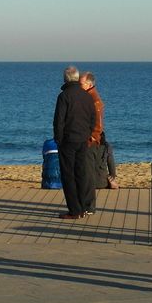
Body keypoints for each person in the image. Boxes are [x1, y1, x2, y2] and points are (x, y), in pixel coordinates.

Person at [52, 65, 96, 219]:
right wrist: (88, 133)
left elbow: (59, 121)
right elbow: (93, 118)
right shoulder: (86, 96)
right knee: (80, 173)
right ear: (77, 78)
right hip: (82, 139)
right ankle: (83, 207)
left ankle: (75, 210)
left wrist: (58, 139)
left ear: (65, 79)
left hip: (68, 141)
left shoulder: (64, 96)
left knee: (68, 175)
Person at [81, 71, 119, 195]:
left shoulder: (94, 100)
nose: (79, 86)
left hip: (91, 140)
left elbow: (98, 123)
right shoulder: (88, 97)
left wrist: (92, 138)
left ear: (89, 84)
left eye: (81, 84)